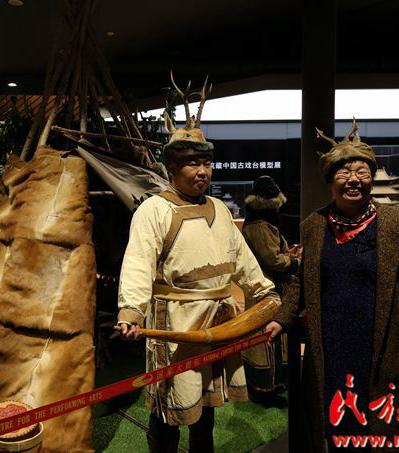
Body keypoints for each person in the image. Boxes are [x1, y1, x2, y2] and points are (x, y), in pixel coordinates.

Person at [116, 80, 280, 453]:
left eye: (206, 163)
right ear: (172, 168)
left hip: (219, 321)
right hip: (177, 324)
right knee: (169, 408)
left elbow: (242, 259)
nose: (202, 171)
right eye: (192, 163)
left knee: (206, 409)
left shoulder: (219, 208)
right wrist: (131, 311)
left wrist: (265, 294)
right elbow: (138, 263)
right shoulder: (154, 210)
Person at [265, 120, 399, 452]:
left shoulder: (397, 225)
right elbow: (302, 281)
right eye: (343, 172)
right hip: (332, 347)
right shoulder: (314, 226)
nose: (353, 179)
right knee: (338, 424)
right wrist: (282, 318)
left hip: (381, 348)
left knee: (381, 430)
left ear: (371, 178)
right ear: (330, 180)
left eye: (362, 172)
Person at [241, 176, 301, 404]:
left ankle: (271, 385)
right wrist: (295, 261)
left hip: (268, 287)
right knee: (266, 337)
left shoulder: (261, 223)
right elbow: (273, 260)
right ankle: (264, 389)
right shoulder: (260, 225)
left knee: (270, 336)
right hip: (266, 289)